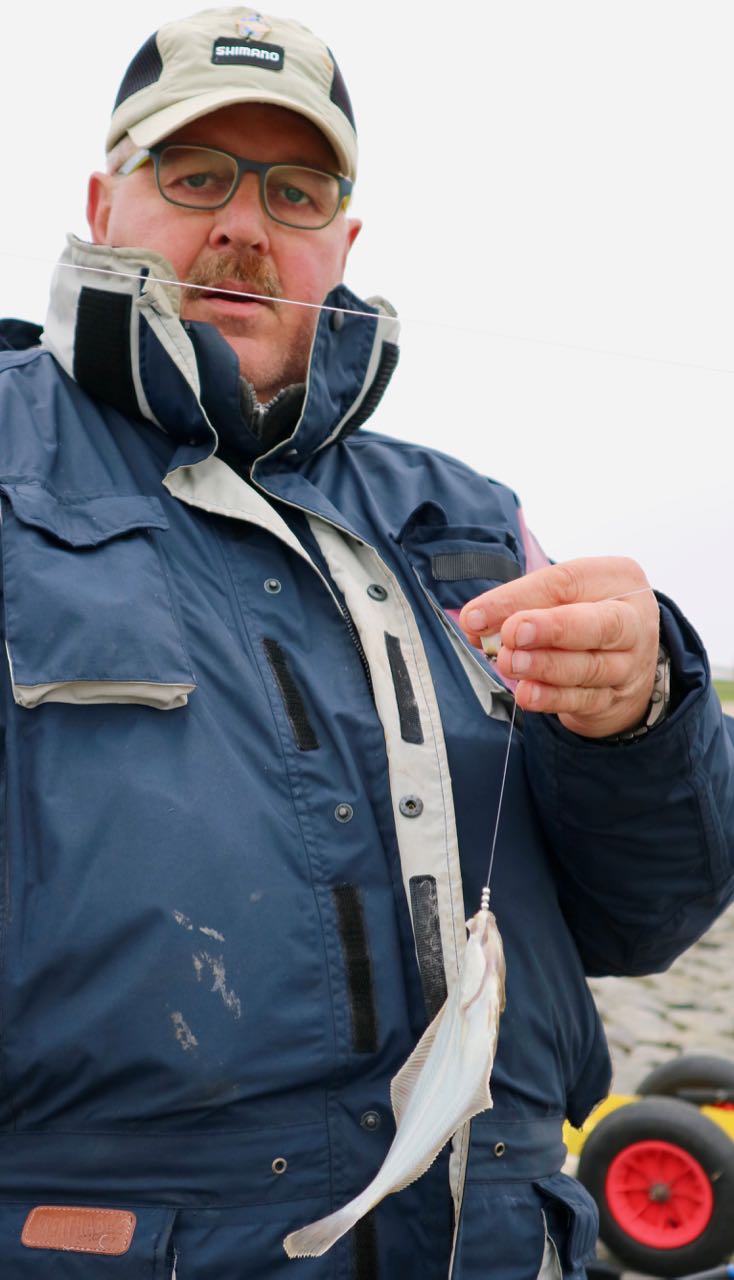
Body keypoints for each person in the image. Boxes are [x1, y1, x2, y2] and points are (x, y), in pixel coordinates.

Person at [0, 8, 731, 1279]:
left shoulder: (472, 514)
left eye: (296, 190)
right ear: (103, 204)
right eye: (195, 173)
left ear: (342, 242)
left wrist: (640, 714)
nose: (244, 224)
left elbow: (644, 916)